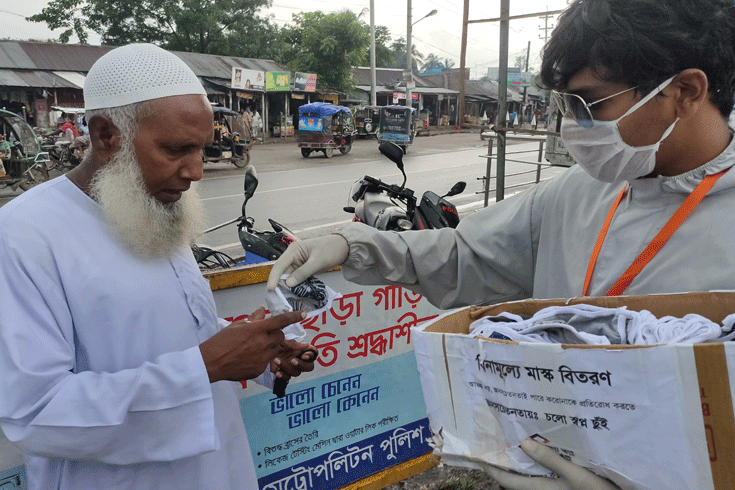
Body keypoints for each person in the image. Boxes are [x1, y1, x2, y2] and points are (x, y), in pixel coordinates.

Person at [267, 0, 735, 488]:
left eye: (588, 104)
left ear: (684, 90)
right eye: (563, 105)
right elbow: (467, 256)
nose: (569, 126)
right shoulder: (579, 191)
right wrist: (352, 242)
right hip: (553, 453)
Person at [0, 43, 317, 490]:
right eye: (176, 149)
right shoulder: (25, 233)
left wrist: (257, 350)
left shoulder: (154, 206)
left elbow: (168, 332)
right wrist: (204, 366)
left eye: (201, 149)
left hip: (216, 470)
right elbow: (35, 413)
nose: (196, 172)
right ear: (107, 135)